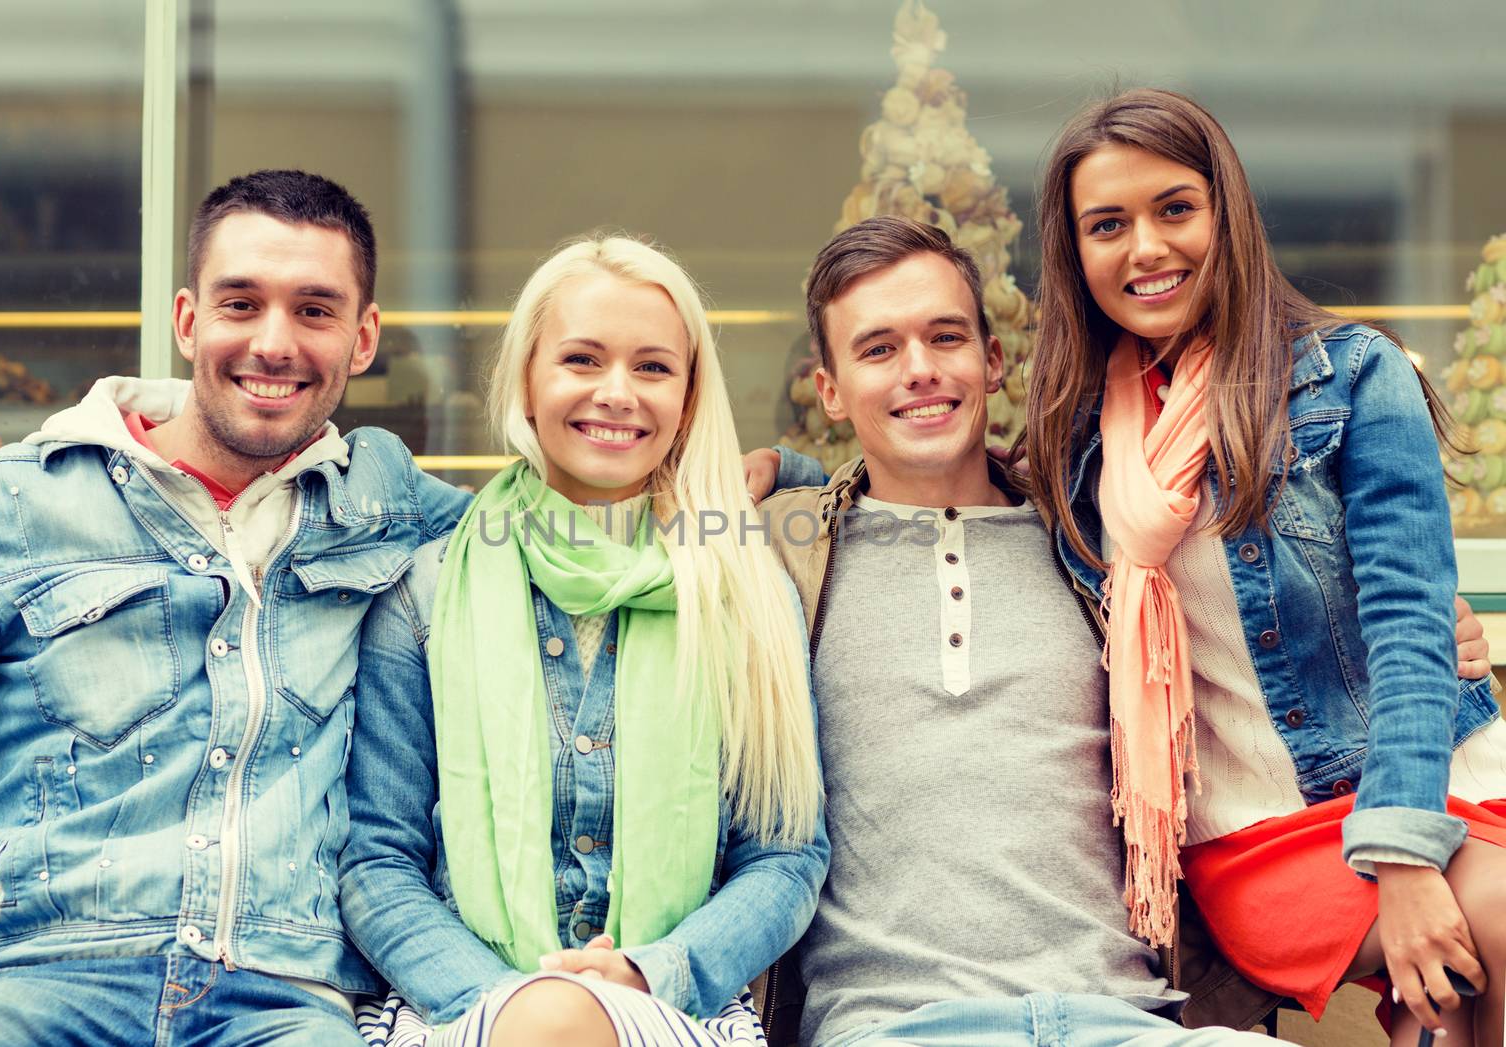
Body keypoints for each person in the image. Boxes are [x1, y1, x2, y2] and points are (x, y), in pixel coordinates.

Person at [0, 169, 471, 1045]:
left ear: (363, 339)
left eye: (314, 311)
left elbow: (590, 528)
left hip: (285, 1004)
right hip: (37, 989)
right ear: (187, 320)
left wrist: (766, 476)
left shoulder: (395, 509)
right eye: (240, 303)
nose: (274, 342)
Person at [1022, 88, 1506, 1047]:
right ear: (1075, 253)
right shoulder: (1071, 443)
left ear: (1225, 214)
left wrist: (1405, 855)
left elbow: (1413, 632)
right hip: (1258, 834)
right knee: (1485, 932)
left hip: (1424, 776)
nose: (1146, 249)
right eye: (1107, 225)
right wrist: (787, 476)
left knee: (1460, 977)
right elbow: (941, 476)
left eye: (1175, 209)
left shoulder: (1353, 377)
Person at [750, 215, 1283, 1047]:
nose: (920, 371)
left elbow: (1288, 627)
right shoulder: (780, 554)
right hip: (898, 1027)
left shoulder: (1105, 534)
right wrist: (775, 471)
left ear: (992, 362)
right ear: (829, 389)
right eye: (879, 349)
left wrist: (1448, 640)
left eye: (945, 337)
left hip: (1133, 1019)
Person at [339, 235, 828, 1047]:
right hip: (454, 1006)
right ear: (527, 382)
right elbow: (377, 860)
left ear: (689, 395)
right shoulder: (426, 591)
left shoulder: (744, 590)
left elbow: (785, 855)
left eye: (653, 367)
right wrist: (521, 1005)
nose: (617, 393)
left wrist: (649, 973)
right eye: (581, 359)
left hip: (681, 1006)